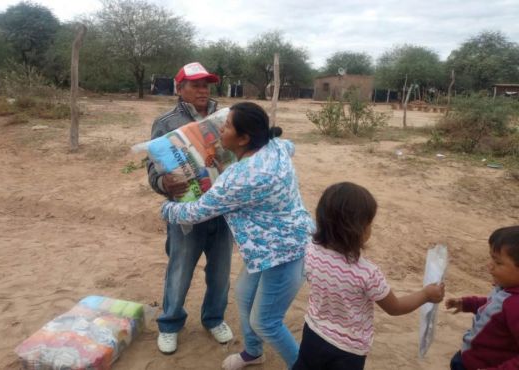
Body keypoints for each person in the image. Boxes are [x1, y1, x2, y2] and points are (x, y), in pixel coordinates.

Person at [161, 102, 314, 369]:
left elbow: (197, 212)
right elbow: (291, 146)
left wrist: (167, 208)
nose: (221, 128)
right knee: (244, 295)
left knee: (266, 321)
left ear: (244, 138)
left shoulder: (240, 178)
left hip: (285, 253)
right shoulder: (276, 146)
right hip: (265, 251)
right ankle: (253, 352)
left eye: (228, 125)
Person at [293, 182, 445, 370]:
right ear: (356, 230)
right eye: (369, 223)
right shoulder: (366, 273)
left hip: (313, 334)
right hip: (348, 351)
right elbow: (395, 307)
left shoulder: (310, 250)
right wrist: (426, 295)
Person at [146, 62, 233, 354]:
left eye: (206, 84)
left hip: (223, 211)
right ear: (179, 88)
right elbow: (152, 168)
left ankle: (213, 319)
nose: (202, 89)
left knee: (220, 272)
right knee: (180, 270)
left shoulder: (227, 118)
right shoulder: (166, 122)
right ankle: (170, 324)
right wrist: (163, 183)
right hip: (186, 213)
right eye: (195, 84)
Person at [446, 226, 519, 370]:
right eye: (492, 259)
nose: (490, 266)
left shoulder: (516, 306)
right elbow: (494, 306)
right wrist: (467, 303)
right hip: (469, 357)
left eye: (498, 263)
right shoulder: (506, 289)